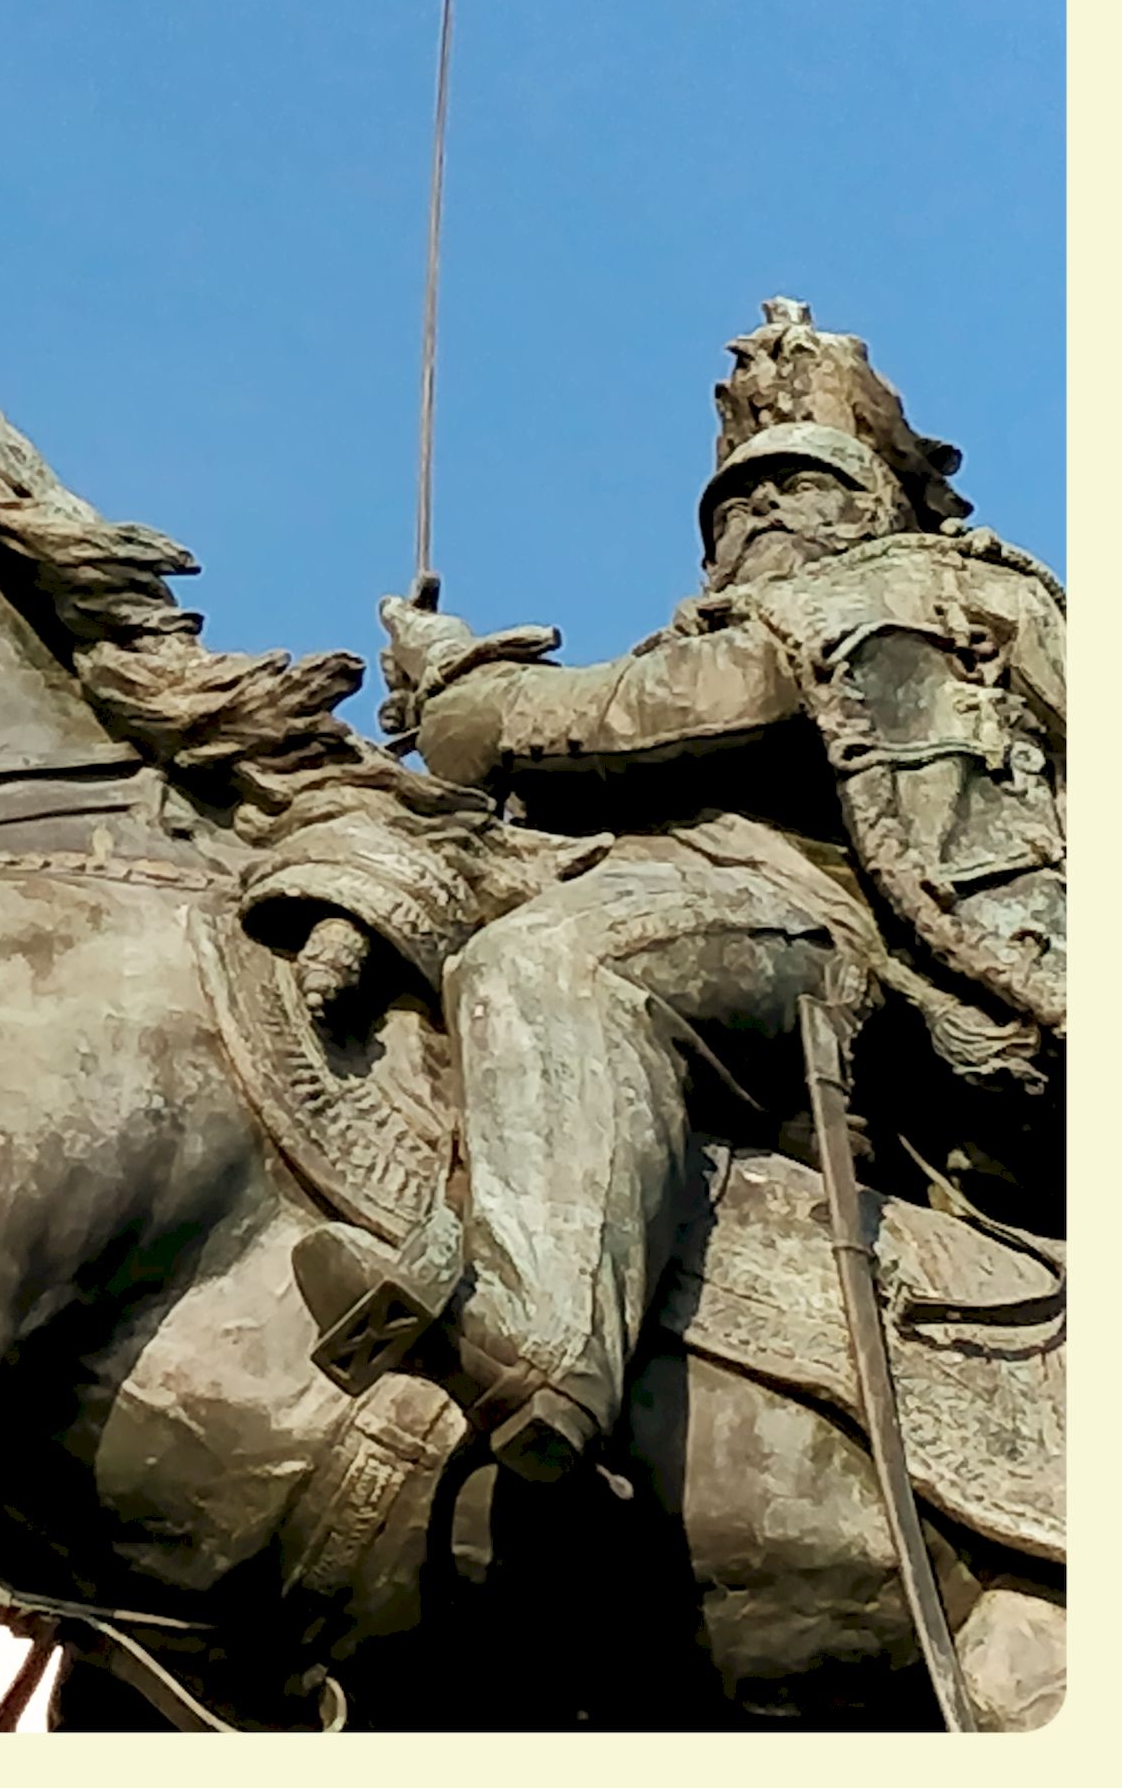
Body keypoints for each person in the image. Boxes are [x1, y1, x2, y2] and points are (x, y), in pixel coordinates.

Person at [295, 299, 1065, 1482]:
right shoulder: (738, 624)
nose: (758, 513)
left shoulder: (904, 591)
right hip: (720, 902)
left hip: (852, 952)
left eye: (797, 486)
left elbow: (658, 710)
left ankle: (542, 1344)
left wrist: (467, 697)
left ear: (871, 504)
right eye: (732, 506)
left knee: (559, 962)